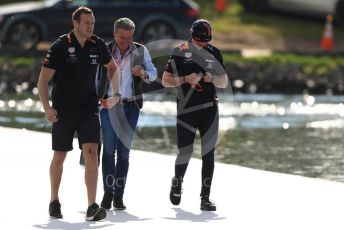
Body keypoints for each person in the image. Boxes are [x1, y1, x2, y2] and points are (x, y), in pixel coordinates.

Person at [37, 6, 120, 221]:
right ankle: (54, 200)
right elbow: (43, 80)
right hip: (63, 110)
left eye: (92, 22)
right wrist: (47, 108)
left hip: (89, 108)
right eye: (86, 23)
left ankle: (92, 206)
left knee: (92, 152)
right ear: (75, 23)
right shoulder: (60, 46)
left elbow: (112, 69)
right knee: (60, 155)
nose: (90, 26)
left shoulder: (97, 44)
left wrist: (116, 95)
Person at [162, 19, 228, 211]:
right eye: (199, 42)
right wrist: (185, 79)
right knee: (185, 151)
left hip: (209, 109)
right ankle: (177, 183)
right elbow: (166, 81)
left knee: (209, 153)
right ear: (192, 36)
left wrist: (211, 78)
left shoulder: (214, 52)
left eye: (205, 41)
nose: (202, 45)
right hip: (186, 109)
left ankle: (205, 197)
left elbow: (223, 82)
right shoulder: (180, 51)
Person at [99, 18, 157, 210]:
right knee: (108, 150)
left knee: (124, 153)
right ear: (115, 34)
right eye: (122, 37)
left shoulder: (140, 50)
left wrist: (144, 74)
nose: (126, 42)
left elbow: (154, 73)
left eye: (129, 37)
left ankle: (118, 195)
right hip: (108, 106)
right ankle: (107, 193)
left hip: (131, 106)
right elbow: (94, 76)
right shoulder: (104, 49)